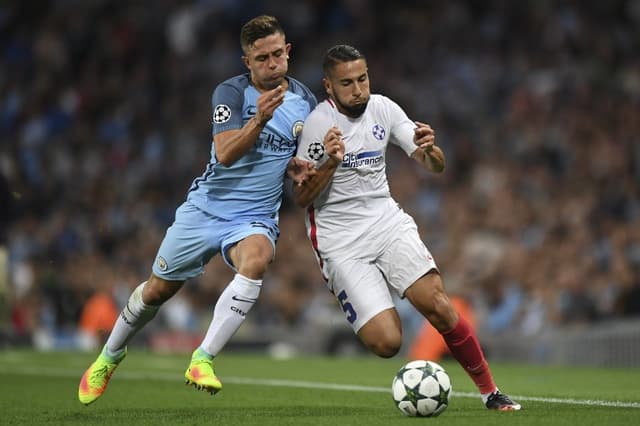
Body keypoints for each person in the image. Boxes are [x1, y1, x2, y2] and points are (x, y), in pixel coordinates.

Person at [78, 15, 317, 405]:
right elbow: (223, 153)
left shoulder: (306, 101)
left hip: (254, 215)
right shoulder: (231, 93)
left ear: (288, 52)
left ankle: (202, 358)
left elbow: (290, 153)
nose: (272, 63)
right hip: (205, 209)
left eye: (278, 54)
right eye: (262, 58)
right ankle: (109, 356)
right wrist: (259, 119)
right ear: (248, 62)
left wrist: (296, 165)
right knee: (156, 291)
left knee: (256, 261)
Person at [293, 44, 521, 411]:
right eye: (347, 82)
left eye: (363, 78)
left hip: (385, 221)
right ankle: (365, 297)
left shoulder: (384, 108)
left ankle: (490, 393)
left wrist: (430, 149)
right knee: (387, 343)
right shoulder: (318, 124)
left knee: (439, 305)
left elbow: (435, 165)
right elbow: (301, 198)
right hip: (339, 240)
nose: (358, 89)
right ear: (329, 86)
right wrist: (330, 164)